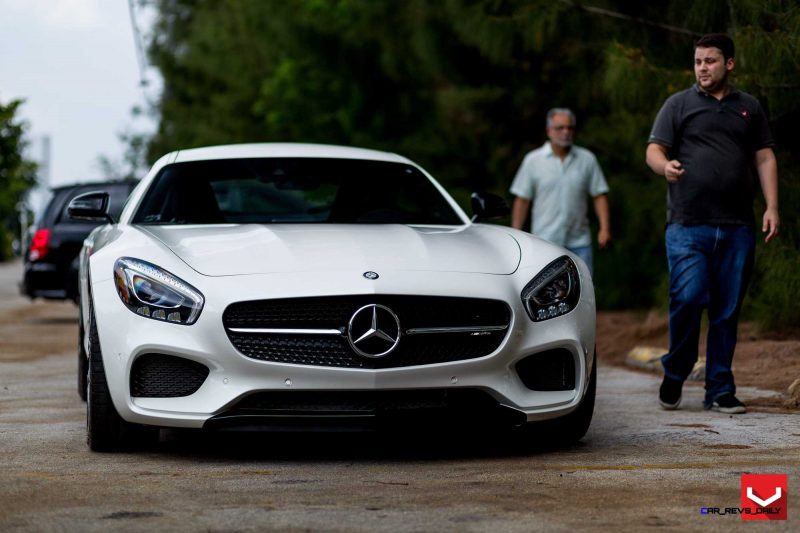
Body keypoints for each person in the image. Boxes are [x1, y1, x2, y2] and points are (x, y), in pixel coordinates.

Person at [646, 33, 780, 414]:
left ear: (729, 64)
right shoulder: (679, 104)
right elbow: (654, 149)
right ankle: (677, 370)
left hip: (738, 225)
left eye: (710, 61)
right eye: (698, 62)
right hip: (688, 224)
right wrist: (665, 166)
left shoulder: (749, 107)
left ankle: (719, 388)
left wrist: (772, 206)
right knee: (688, 297)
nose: (702, 68)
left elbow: (765, 158)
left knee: (726, 309)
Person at [509, 108, 611, 273]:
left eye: (570, 128)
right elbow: (522, 199)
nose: (566, 132)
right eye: (560, 128)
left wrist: (604, 229)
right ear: (549, 131)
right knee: (541, 294)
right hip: (544, 242)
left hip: (579, 243)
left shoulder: (587, 159)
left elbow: (599, 195)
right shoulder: (533, 160)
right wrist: (516, 235)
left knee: (582, 293)